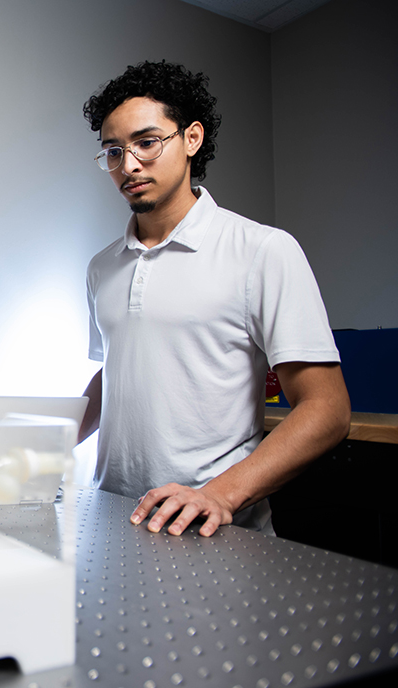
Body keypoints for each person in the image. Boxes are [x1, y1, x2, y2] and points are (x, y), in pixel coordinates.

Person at [78, 61, 349, 537]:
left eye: (146, 142)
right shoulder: (102, 267)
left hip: (213, 530)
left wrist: (220, 494)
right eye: (113, 152)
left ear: (192, 139)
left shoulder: (262, 250)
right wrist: (43, 445)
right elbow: (115, 371)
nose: (129, 165)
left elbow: (326, 410)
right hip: (116, 520)